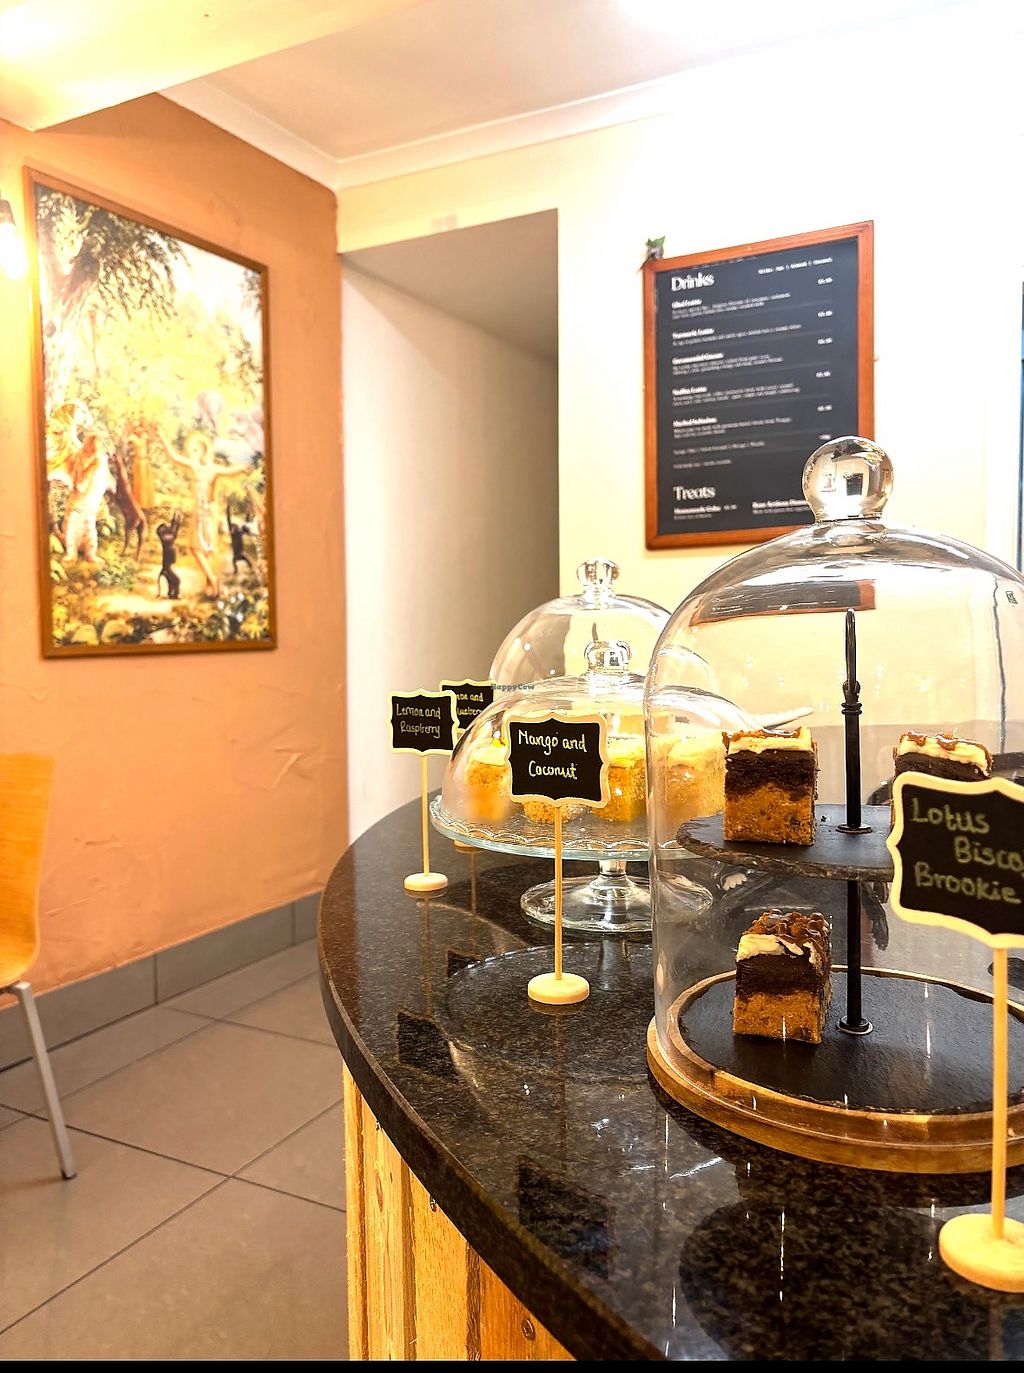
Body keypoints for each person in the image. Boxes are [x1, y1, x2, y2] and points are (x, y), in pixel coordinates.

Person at [152, 428, 250, 597]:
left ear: (204, 451)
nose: (193, 453)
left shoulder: (211, 468)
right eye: (192, 450)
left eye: (196, 450)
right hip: (203, 511)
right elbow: (174, 457)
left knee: (198, 548)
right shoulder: (197, 466)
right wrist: (161, 437)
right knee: (204, 548)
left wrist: (242, 468)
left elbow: (229, 472)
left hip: (207, 512)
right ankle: (211, 584)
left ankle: (211, 580)